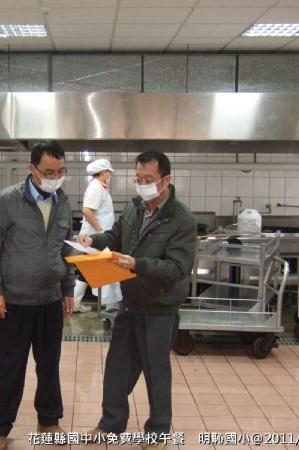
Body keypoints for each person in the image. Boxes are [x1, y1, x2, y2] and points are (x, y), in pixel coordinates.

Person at [78, 150, 196, 450]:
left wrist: (137, 265)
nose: (143, 185)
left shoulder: (181, 219)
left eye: (149, 179)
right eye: (138, 179)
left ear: (166, 180)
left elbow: (178, 268)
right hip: (131, 302)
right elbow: (115, 237)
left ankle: (157, 433)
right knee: (116, 367)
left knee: (156, 372)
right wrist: (94, 241)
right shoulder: (134, 208)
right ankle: (110, 424)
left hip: (159, 308)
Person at [0, 140, 75, 450]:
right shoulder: (6, 201)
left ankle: (49, 420)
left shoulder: (63, 202)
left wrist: (68, 289)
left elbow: (67, 249)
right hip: (14, 301)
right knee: (8, 366)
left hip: (49, 299)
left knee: (49, 365)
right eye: (48, 172)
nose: (55, 178)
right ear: (32, 169)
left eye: (60, 172)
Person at [73, 159, 122, 313]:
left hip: (97, 237)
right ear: (102, 172)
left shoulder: (100, 187)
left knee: (88, 269)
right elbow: (87, 211)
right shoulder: (96, 187)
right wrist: (100, 230)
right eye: (109, 172)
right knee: (108, 268)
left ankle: (75, 303)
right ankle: (111, 305)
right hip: (96, 238)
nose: (110, 174)